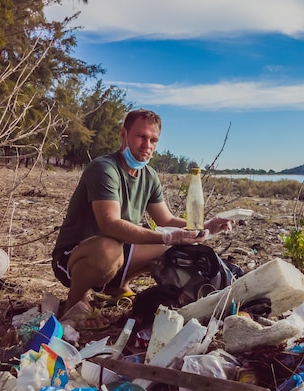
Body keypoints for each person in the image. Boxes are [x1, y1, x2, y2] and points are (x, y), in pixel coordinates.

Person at [51, 109, 232, 330]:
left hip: (117, 253)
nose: (147, 144)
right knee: (110, 248)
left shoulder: (149, 176)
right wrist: (165, 237)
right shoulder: (104, 169)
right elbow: (110, 224)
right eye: (141, 136)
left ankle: (116, 287)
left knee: (174, 246)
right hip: (75, 256)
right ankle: (76, 301)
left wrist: (205, 226)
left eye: (153, 140)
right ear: (124, 134)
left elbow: (165, 219)